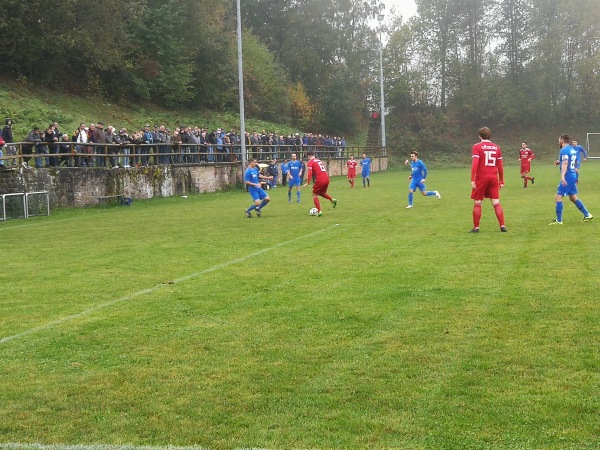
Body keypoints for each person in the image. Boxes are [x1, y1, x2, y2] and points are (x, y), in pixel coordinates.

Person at [469, 127, 507, 233]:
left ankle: (476, 227)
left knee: (478, 202)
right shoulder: (496, 147)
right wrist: (501, 180)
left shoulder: (477, 147)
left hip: (481, 177)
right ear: (490, 135)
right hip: (493, 178)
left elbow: (475, 163)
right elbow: (500, 166)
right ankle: (502, 226)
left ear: (479, 136)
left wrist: (473, 179)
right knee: (496, 202)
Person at [549, 134, 593, 225]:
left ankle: (559, 221)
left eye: (559, 140)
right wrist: (559, 162)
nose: (558, 142)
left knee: (558, 197)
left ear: (561, 140)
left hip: (568, 176)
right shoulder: (572, 149)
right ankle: (587, 215)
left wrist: (562, 176)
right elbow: (575, 161)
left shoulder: (564, 150)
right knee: (573, 197)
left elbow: (565, 163)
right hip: (573, 175)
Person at [303, 150, 336, 217]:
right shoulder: (318, 160)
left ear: (308, 156)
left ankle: (319, 211)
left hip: (320, 179)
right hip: (326, 179)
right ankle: (332, 199)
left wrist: (307, 182)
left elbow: (310, 173)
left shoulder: (310, 162)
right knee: (321, 193)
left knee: (314, 194)